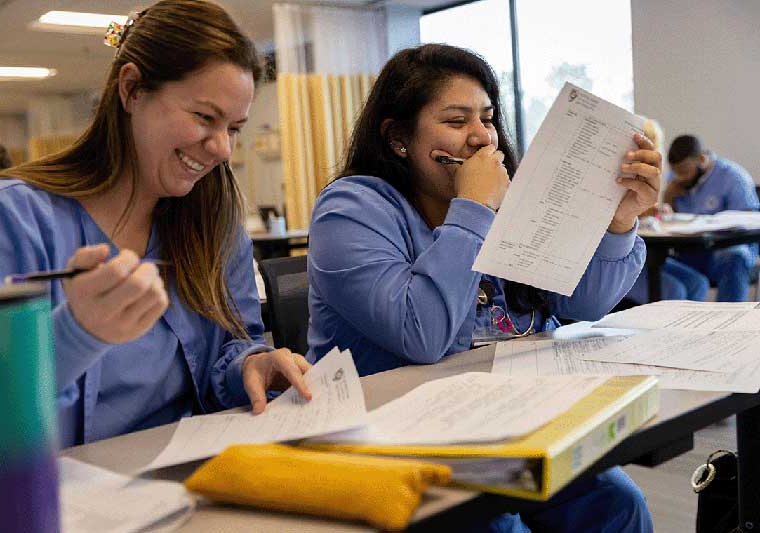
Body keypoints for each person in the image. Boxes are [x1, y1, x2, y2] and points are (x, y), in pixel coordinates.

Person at [307, 44, 657, 532]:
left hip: (507, 424)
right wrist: (473, 208)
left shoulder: (506, 200)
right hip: (399, 441)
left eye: (487, 118)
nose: (480, 137)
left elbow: (584, 304)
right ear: (398, 138)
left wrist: (619, 224)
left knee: (618, 503)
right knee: (498, 528)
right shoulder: (350, 210)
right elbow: (421, 336)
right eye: (455, 121)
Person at [0, 0, 310, 448]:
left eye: (235, 127)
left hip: (190, 481)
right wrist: (76, 334)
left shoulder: (213, 220)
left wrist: (250, 365)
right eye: (205, 117)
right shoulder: (1, 219)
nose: (223, 149)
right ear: (131, 90)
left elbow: (230, 346)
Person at [663, 134, 759, 301]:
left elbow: (749, 220)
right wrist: (667, 198)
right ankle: (680, 322)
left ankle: (727, 322)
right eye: (676, 172)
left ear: (701, 159)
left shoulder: (733, 177)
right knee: (657, 262)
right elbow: (669, 219)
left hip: (724, 251)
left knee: (734, 258)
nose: (680, 177)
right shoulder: (675, 180)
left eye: (684, 172)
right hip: (690, 249)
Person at [624, 121, 710, 304]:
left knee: (699, 284)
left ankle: (686, 333)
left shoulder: (645, 180)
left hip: (645, 258)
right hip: (622, 262)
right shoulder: (619, 177)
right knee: (675, 291)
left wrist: (650, 209)